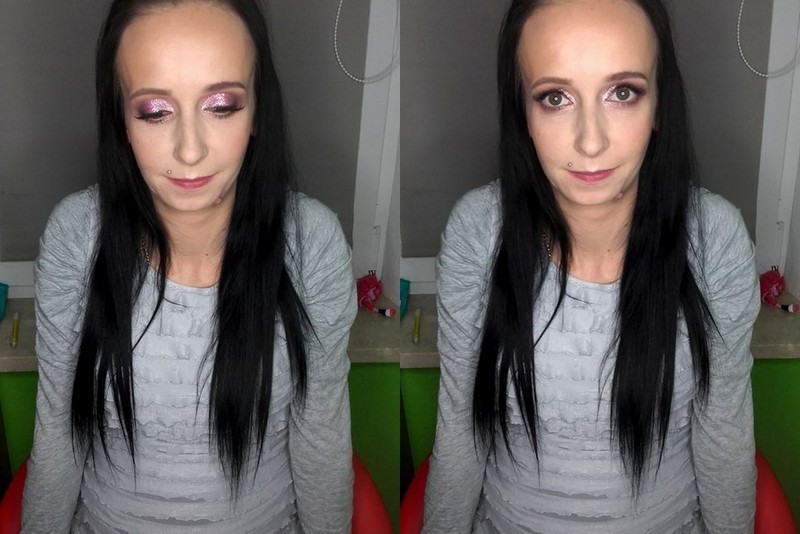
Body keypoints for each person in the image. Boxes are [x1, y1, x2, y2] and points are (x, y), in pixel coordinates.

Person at [424, 0, 759, 532]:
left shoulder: (713, 238)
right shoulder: (479, 230)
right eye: (555, 98)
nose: (591, 140)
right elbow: (463, 431)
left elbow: (725, 443)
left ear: (659, 107)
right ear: (523, 115)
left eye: (622, 92)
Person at [22, 0, 356, 532]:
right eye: (155, 112)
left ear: (257, 113)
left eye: (221, 105)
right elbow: (59, 437)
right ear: (121, 122)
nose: (190, 150)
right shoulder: (77, 235)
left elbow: (322, 446)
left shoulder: (310, 241)